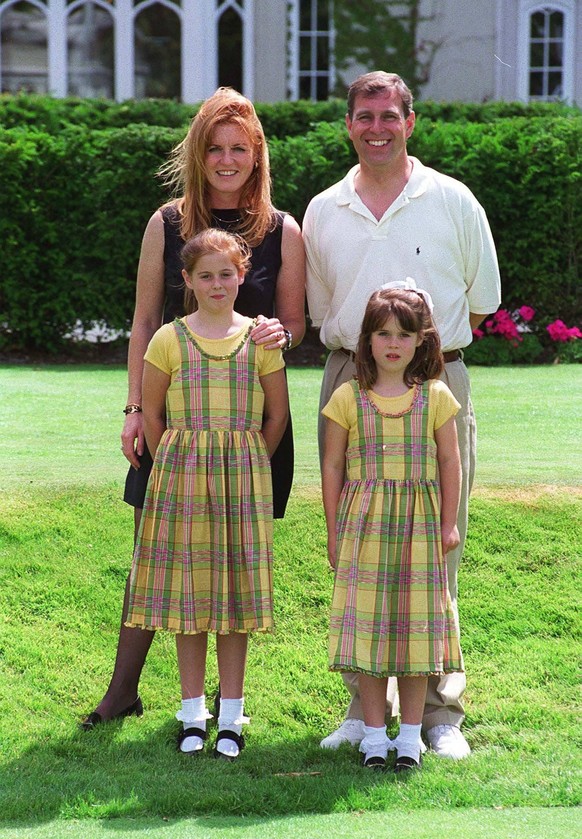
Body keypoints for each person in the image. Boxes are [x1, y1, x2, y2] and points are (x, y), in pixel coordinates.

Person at [82, 87, 305, 729]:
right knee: (154, 553)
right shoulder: (168, 222)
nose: (227, 160)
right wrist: (133, 409)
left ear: (256, 153)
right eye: (215, 148)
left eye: (240, 148)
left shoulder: (281, 228)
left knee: (228, 564)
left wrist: (276, 337)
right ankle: (123, 690)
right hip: (173, 427)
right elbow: (145, 318)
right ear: (198, 153)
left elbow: (295, 324)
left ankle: (223, 711)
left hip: (246, 433)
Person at [303, 71, 501, 759]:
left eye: (389, 115)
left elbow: (481, 302)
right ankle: (364, 712)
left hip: (436, 380)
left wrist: (418, 357)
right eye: (364, 116)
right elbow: (323, 309)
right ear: (349, 124)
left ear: (410, 121)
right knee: (362, 554)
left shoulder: (451, 199)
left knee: (434, 554)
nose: (376, 127)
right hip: (350, 382)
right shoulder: (325, 208)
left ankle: (441, 716)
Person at [124, 228, 289, 758]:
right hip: (181, 482)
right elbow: (152, 413)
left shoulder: (259, 339)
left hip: (241, 481)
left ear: (242, 275)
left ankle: (232, 717)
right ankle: (192, 712)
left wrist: (247, 462)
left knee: (234, 598)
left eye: (226, 274)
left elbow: (277, 414)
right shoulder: (169, 339)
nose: (217, 284)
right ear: (187, 281)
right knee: (189, 597)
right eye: (205, 276)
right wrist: (174, 464)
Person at [322, 287, 464, 772]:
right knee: (371, 630)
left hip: (420, 530)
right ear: (366, 339)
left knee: (414, 632)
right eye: (383, 333)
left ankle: (410, 738)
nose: (393, 343)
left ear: (421, 342)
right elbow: (332, 465)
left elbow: (450, 461)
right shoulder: (348, 397)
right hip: (365, 528)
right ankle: (374, 736)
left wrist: (448, 524)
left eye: (404, 334)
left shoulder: (436, 397)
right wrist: (333, 531)